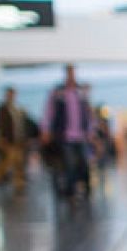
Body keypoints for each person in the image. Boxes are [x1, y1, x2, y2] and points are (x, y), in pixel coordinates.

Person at [41, 65, 93, 199]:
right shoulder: (58, 92)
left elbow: (87, 112)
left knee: (83, 162)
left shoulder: (80, 92)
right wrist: (46, 130)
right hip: (65, 135)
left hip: (80, 135)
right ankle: (70, 190)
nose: (72, 75)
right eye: (69, 72)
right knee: (69, 163)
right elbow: (49, 112)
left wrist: (90, 130)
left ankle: (85, 188)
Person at [0, 88, 30, 190]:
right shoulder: (2, 109)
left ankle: (19, 182)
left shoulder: (17, 109)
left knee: (18, 161)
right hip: (7, 140)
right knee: (10, 159)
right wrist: (2, 137)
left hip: (17, 140)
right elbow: (0, 124)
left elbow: (21, 125)